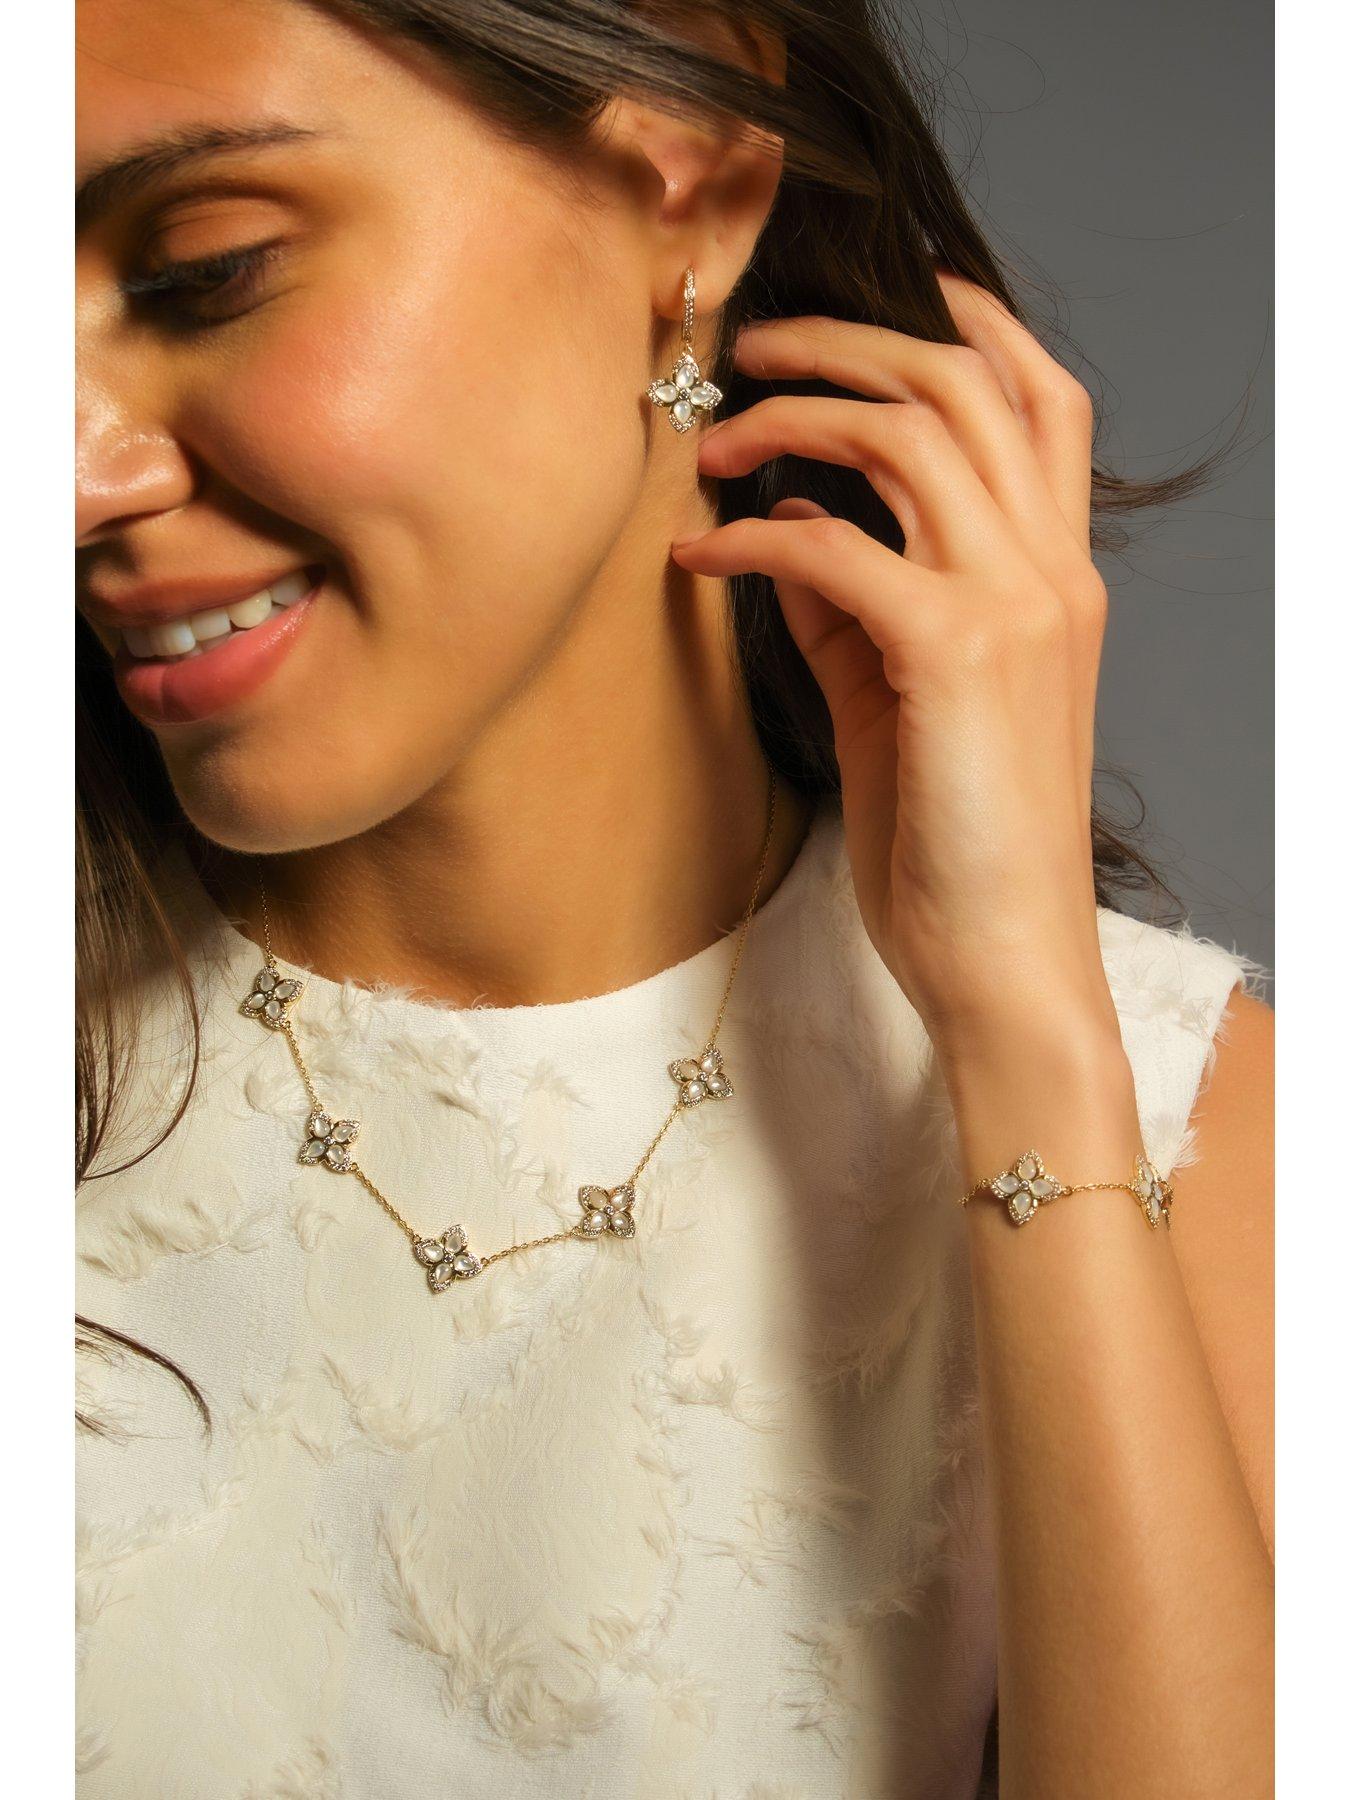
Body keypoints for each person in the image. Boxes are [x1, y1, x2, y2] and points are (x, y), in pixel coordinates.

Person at [74, 2, 1275, 1795]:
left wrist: (1024, 1033)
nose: (65, 471)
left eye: (203, 274)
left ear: (687, 179)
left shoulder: (1195, 1133)